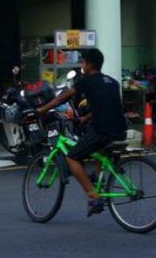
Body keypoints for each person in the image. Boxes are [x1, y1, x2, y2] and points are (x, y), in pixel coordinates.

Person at [36, 47, 127, 217]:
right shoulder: (112, 81)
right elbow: (110, 106)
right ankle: (98, 181)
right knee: (101, 150)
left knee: (72, 156)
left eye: (83, 62)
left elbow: (63, 97)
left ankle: (92, 196)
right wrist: (86, 118)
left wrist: (43, 109)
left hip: (102, 131)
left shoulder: (86, 80)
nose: (82, 66)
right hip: (120, 130)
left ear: (90, 65)